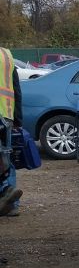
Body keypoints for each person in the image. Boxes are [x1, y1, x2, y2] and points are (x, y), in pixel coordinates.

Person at [0, 47, 22, 217]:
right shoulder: (6, 54)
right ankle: (11, 201)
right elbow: (16, 87)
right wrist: (17, 118)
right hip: (6, 114)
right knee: (5, 157)